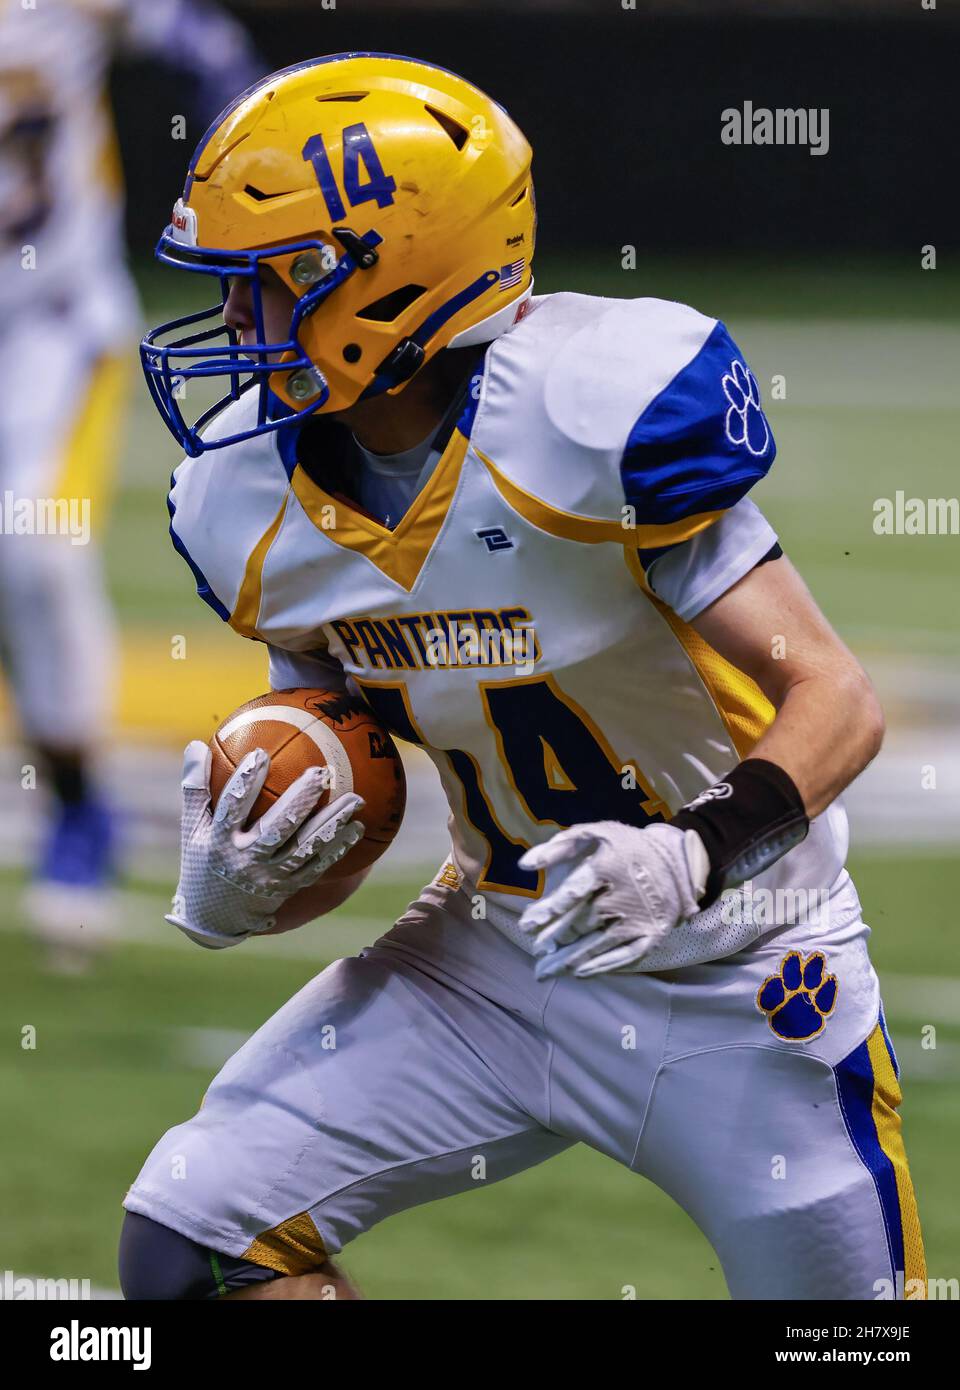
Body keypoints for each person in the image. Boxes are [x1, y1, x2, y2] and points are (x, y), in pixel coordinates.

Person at [119, 53, 924, 1300]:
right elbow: (337, 759)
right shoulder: (246, 505)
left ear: (391, 282)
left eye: (272, 282)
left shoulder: (594, 414)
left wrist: (692, 852)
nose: (234, 323)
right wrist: (246, 885)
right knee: (192, 1247)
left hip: (745, 971)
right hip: (495, 961)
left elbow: (838, 698)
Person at [0, 0, 260, 970]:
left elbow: (202, 43)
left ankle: (79, 817)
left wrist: (240, 154)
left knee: (32, 549)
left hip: (46, 326)